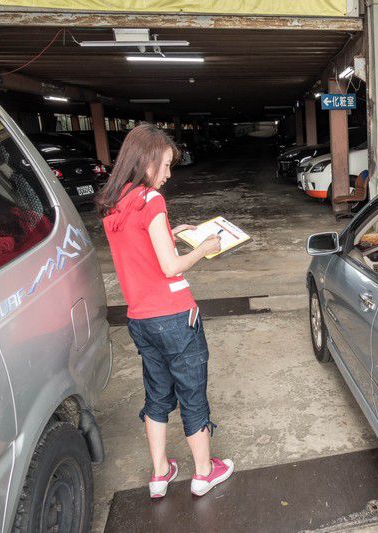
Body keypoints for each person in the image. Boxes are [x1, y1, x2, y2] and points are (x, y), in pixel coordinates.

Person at [96, 124, 234, 499]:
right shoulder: (151, 200)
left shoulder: (115, 202)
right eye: (167, 165)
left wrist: (171, 232)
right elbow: (171, 267)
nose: (169, 174)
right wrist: (202, 248)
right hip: (174, 316)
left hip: (140, 319)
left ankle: (160, 474)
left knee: (157, 395)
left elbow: (138, 248)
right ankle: (204, 472)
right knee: (192, 394)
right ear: (147, 160)